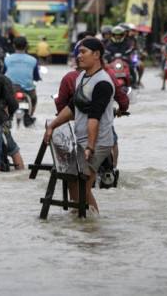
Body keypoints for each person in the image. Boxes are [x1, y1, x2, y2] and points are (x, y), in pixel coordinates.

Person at [44, 38, 115, 215]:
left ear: (97, 55)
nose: (79, 56)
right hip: (83, 140)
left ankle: (93, 225)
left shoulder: (103, 82)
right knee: (73, 183)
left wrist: (90, 147)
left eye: (84, 52)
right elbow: (73, 107)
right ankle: (83, 223)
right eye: (78, 52)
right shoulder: (82, 77)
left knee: (82, 185)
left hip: (98, 142)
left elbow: (94, 117)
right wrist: (52, 125)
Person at [4, 36, 41, 113]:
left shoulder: (7, 59)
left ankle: (6, 117)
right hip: (28, 89)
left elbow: (3, 73)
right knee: (34, 100)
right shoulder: (33, 60)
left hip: (11, 87)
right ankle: (30, 116)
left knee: (4, 102)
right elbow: (36, 76)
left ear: (14, 45)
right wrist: (37, 78)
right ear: (26, 46)